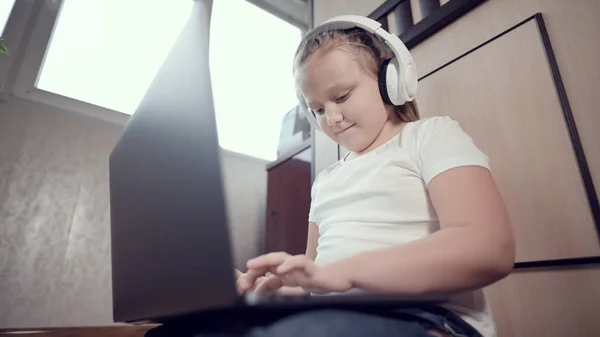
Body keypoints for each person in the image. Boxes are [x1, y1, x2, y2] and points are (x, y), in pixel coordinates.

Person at [149, 15, 515, 337]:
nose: (333, 118)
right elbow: (316, 279)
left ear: (392, 80)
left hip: (431, 318)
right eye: (319, 109)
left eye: (342, 96)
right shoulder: (325, 181)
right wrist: (270, 287)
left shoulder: (430, 136)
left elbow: (488, 248)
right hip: (336, 313)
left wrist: (347, 273)